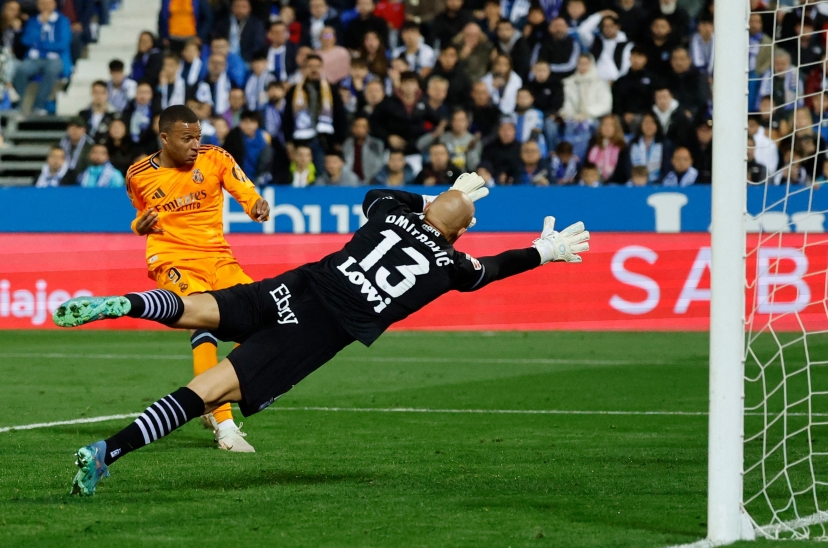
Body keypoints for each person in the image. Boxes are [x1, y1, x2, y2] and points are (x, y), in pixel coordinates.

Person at [56, 178, 590, 497]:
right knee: (210, 391)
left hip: (300, 284)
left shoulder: (391, 214)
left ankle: (125, 304)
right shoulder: (451, 262)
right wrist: (543, 252)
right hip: (317, 329)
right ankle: (106, 451)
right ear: (459, 233)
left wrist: (431, 194)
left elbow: (375, 194)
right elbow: (491, 269)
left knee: (199, 309)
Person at [123, 105, 271, 451]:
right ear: (164, 139)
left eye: (198, 137)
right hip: (174, 259)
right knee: (202, 323)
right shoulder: (138, 174)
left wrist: (256, 206)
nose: (195, 144)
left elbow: (246, 191)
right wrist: (137, 226)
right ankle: (225, 425)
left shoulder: (215, 158)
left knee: (265, 321)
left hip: (218, 258)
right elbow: (139, 215)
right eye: (186, 138)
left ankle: (208, 399)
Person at [13, 0, 72, 114]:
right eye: (43, 3)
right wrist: (41, 26)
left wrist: (41, 45)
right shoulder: (34, 21)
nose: (46, 6)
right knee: (21, 70)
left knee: (51, 71)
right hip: (34, 58)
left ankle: (39, 105)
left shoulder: (62, 21)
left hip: (55, 58)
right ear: (38, 5)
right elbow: (26, 40)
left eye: (49, 3)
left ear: (54, 4)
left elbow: (62, 44)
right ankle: (20, 103)